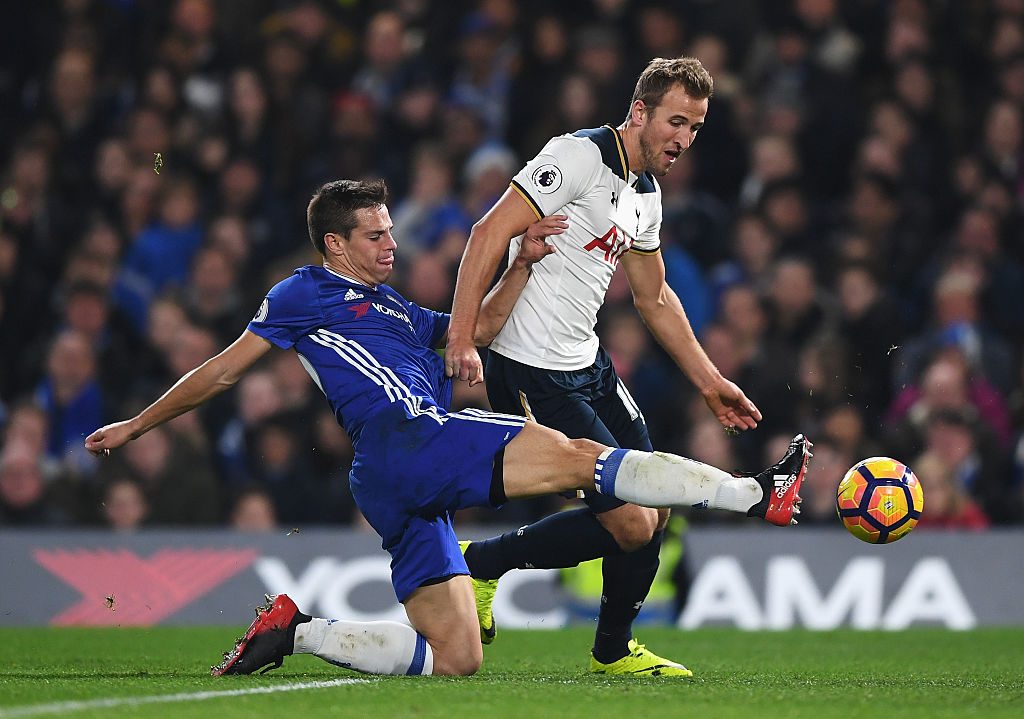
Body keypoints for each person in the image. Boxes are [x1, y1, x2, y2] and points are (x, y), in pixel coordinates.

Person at [85, 179, 809, 678]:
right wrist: (140, 423)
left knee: (456, 657)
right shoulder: (302, 293)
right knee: (588, 458)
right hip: (412, 438)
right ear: (334, 244)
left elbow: (481, 327)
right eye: (373, 235)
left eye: (390, 231)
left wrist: (520, 263)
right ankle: (753, 493)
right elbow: (221, 370)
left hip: (392, 479)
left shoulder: (396, 308)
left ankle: (295, 629)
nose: (389, 245)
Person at [444, 57, 774, 676]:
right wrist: (463, 338)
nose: (684, 139)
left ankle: (612, 651)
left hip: (588, 363)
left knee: (656, 508)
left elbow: (654, 297)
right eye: (676, 121)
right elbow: (488, 233)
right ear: (640, 112)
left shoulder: (646, 192)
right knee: (629, 520)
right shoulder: (577, 157)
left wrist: (710, 383)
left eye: (697, 127)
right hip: (532, 368)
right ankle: (486, 567)